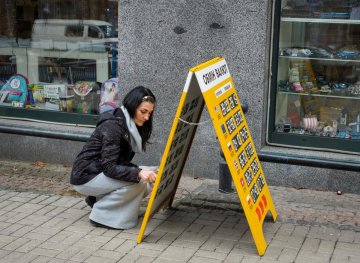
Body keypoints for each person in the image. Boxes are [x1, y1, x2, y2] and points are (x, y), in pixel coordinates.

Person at [70, 86, 157, 229]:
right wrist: (138, 172)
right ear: (132, 106)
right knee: (139, 182)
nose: (147, 117)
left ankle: (98, 199)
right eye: (143, 111)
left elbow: (118, 163)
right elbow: (109, 167)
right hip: (86, 176)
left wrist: (143, 171)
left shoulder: (129, 123)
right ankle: (101, 216)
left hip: (97, 171)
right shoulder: (113, 126)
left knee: (148, 177)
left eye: (150, 113)